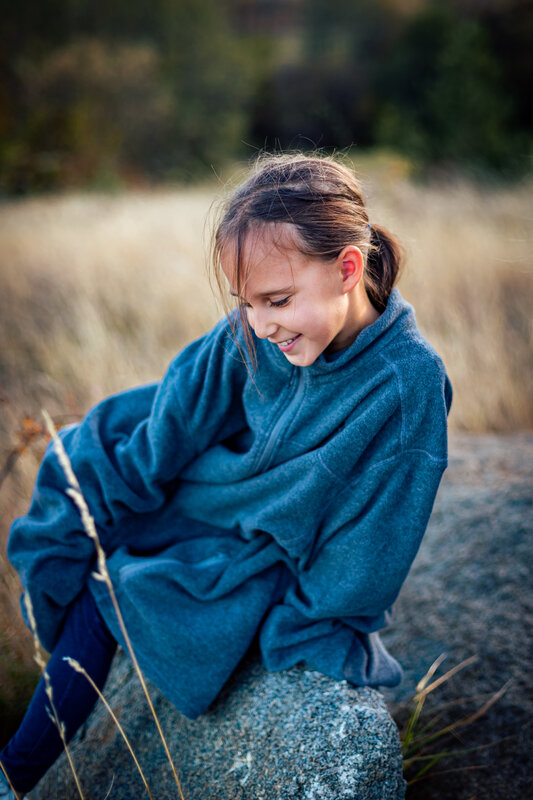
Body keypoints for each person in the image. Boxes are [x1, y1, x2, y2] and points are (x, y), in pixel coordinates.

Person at [1, 153, 452, 798]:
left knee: (119, 590)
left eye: (278, 301)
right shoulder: (252, 331)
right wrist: (113, 492)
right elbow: (173, 421)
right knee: (74, 495)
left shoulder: (406, 385)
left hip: (268, 551)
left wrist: (312, 617)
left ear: (349, 268)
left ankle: (12, 775)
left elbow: (375, 537)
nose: (260, 324)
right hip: (198, 497)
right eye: (247, 303)